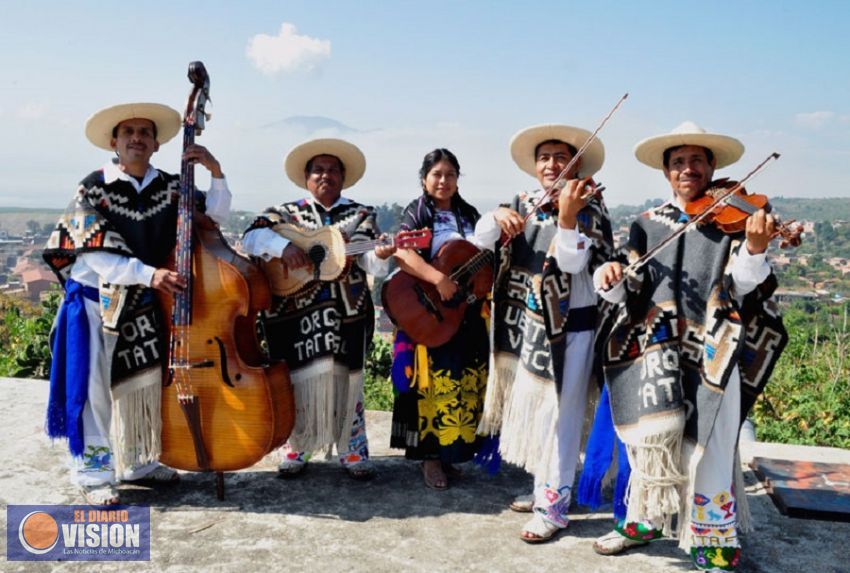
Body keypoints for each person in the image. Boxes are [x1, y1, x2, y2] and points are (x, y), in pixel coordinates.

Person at [592, 122, 787, 572]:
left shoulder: (733, 220)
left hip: (714, 347)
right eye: (678, 162)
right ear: (665, 172)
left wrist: (754, 249)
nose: (687, 169)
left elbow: (741, 287)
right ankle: (644, 518)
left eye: (696, 160)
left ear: (712, 166)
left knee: (713, 445)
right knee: (649, 439)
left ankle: (714, 535)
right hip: (657, 348)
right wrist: (610, 280)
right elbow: (631, 285)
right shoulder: (646, 224)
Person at [43, 102, 231, 505]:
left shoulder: (170, 186)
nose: (136, 138)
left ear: (157, 143)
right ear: (114, 142)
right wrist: (150, 275)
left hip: (144, 302)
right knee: (95, 389)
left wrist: (215, 172)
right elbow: (93, 254)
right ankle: (94, 474)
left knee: (142, 381)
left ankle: (138, 460)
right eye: (127, 132)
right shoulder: (93, 186)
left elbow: (213, 216)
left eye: (144, 132)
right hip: (98, 302)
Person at [476, 125, 613, 542]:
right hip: (531, 324)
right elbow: (481, 239)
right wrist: (496, 216)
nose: (552, 165)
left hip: (574, 323)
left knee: (561, 413)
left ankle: (552, 505)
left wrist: (568, 218)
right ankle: (548, 488)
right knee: (542, 410)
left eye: (561, 157)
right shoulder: (523, 203)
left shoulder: (590, 206)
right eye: (545, 157)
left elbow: (573, 264)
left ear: (575, 164)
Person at [242, 138, 395, 480]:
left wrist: (382, 254)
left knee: (347, 379)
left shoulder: (361, 215)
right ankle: (298, 447)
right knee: (298, 379)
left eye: (332, 170)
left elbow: (371, 262)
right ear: (306, 177)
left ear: (343, 177)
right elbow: (251, 239)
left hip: (346, 313)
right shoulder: (284, 213)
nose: (325, 175)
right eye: (318, 170)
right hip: (293, 312)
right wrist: (282, 247)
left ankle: (351, 449)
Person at [388, 148, 491, 490]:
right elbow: (403, 252)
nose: (443, 181)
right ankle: (429, 460)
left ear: (458, 180)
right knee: (430, 387)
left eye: (450, 174)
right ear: (424, 179)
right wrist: (438, 280)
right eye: (437, 174)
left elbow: (480, 257)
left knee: (461, 384)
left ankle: (450, 454)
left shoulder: (469, 214)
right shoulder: (417, 212)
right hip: (428, 311)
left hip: (462, 311)